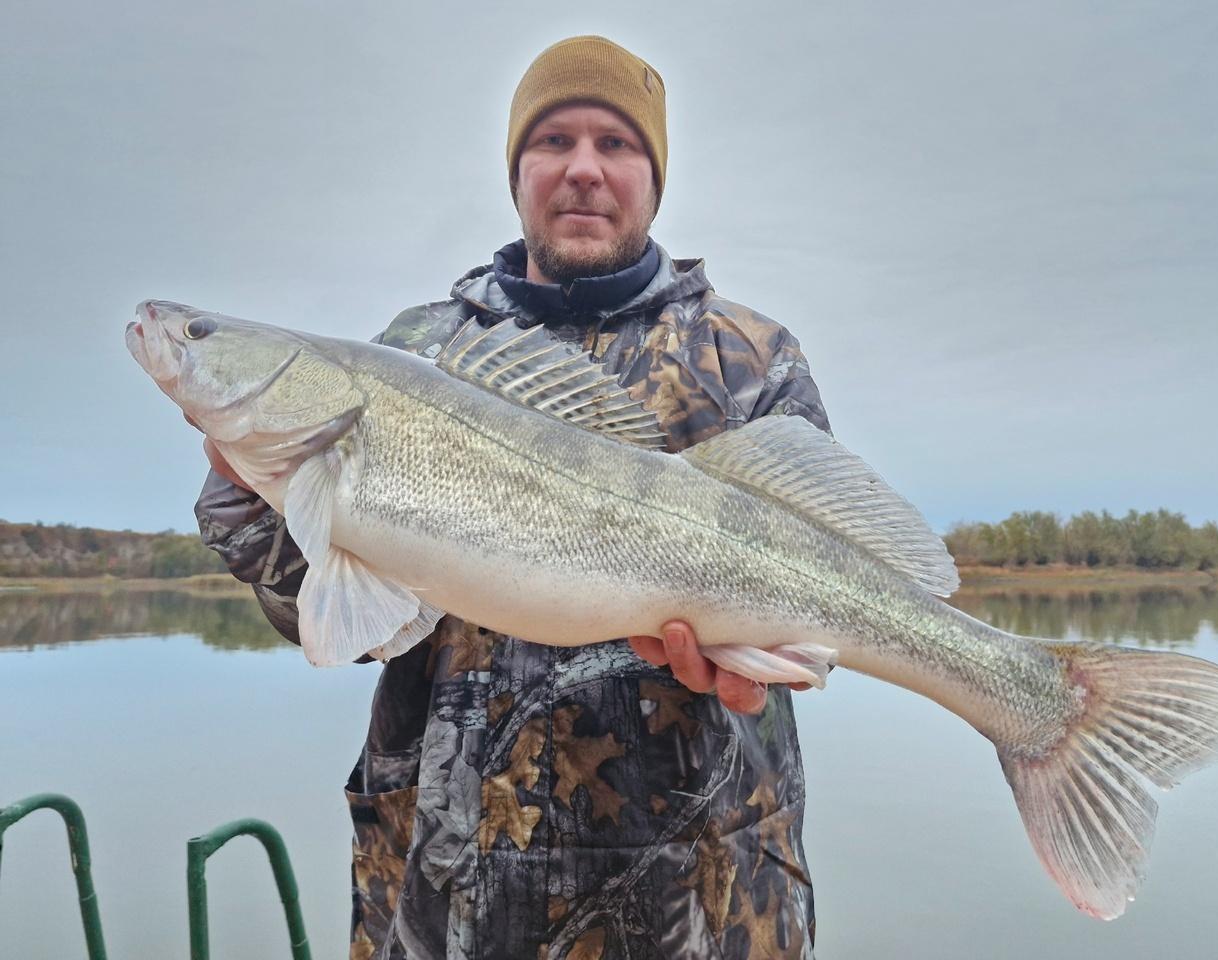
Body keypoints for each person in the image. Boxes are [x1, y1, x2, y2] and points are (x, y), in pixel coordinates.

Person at [196, 35, 830, 960]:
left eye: (616, 144)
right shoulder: (415, 353)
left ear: (654, 178)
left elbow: (824, 605)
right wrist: (244, 491)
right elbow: (337, 616)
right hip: (446, 898)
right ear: (517, 171)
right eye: (553, 142)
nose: (583, 169)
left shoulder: (749, 360)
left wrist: (761, 663)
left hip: (705, 903)